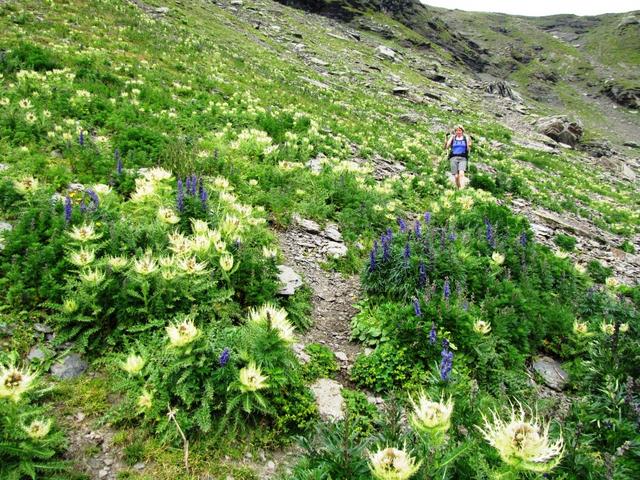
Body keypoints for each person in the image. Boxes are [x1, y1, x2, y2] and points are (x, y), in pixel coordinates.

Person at [445, 125, 472, 189]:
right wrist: (447, 142)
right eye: (457, 130)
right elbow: (447, 147)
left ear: (462, 131)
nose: (458, 132)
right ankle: (458, 187)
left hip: (463, 157)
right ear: (455, 131)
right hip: (453, 157)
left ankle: (462, 190)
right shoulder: (453, 137)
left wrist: (469, 145)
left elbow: (468, 148)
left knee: (461, 174)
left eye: (460, 130)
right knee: (456, 176)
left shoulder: (466, 138)